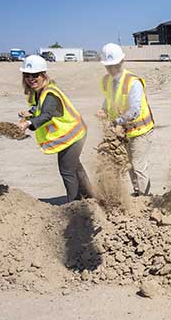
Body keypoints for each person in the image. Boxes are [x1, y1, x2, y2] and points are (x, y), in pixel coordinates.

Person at [17, 55, 93, 202]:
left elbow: (47, 115)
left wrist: (27, 123)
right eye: (27, 75)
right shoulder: (38, 92)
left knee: (67, 170)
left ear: (43, 75)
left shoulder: (49, 93)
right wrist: (30, 113)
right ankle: (90, 196)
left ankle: (74, 204)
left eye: (35, 75)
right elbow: (39, 107)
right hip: (71, 134)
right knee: (75, 166)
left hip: (74, 135)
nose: (31, 79)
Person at [97, 43, 155, 196]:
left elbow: (135, 110)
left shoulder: (133, 82)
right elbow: (109, 101)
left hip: (140, 130)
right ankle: (138, 193)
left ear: (121, 62)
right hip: (125, 132)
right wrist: (103, 111)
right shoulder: (108, 81)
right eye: (108, 66)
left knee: (139, 166)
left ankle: (145, 197)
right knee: (129, 165)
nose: (112, 69)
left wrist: (117, 122)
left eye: (114, 65)